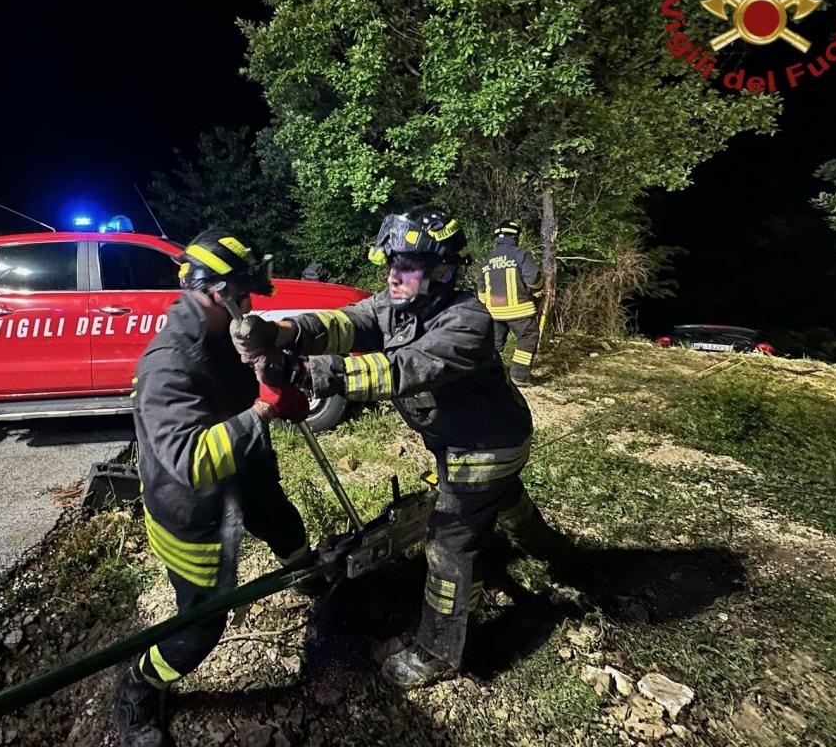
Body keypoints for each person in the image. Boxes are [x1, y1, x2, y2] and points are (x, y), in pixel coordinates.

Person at [233, 207, 579, 688]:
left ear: (443, 271)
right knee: (500, 501)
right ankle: (557, 553)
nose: (394, 276)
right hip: (458, 440)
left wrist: (303, 372)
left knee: (450, 543)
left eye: (408, 267)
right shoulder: (399, 302)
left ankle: (439, 651)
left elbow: (399, 370)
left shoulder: (468, 321)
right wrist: (282, 332)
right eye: (392, 264)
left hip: (485, 448)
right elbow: (347, 323)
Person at [113, 229, 314, 746]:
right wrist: (262, 412)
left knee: (284, 525)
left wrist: (277, 386)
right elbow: (190, 460)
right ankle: (140, 686)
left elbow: (245, 383)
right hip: (193, 508)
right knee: (200, 628)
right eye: (245, 295)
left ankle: (309, 577)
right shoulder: (168, 364)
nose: (251, 305)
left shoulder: (222, 332)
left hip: (244, 475)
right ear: (217, 292)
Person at [477, 220, 543, 386]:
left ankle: (488, 375)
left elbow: (481, 287)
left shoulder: (488, 260)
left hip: (494, 313)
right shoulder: (521, 254)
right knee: (527, 338)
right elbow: (533, 279)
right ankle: (519, 376)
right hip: (520, 311)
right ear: (515, 236)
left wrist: (486, 308)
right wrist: (539, 289)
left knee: (495, 344)